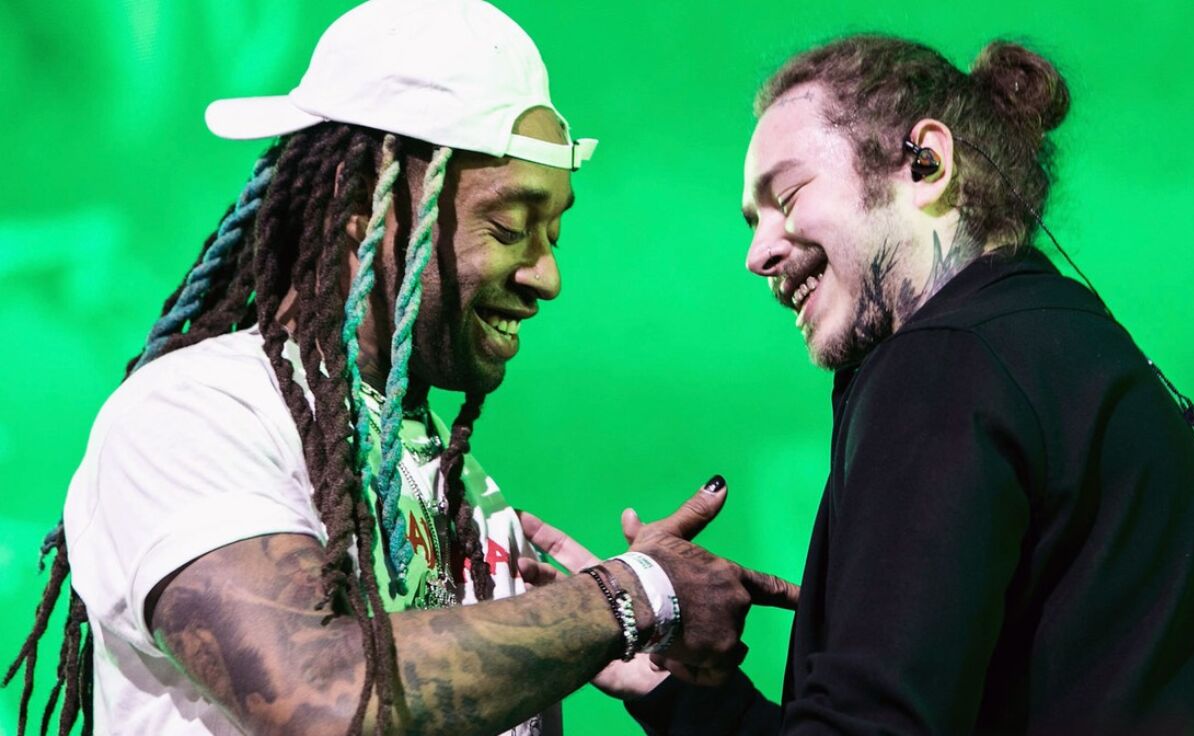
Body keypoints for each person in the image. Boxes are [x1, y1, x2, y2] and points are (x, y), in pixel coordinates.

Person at [2, 2, 798, 735]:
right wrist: (632, 596)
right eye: (510, 227)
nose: (547, 275)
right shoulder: (197, 414)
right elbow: (322, 700)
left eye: (552, 235)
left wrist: (635, 659)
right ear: (363, 210)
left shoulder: (468, 496)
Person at [573, 34, 1194, 735]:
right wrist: (674, 691)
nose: (758, 253)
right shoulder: (1073, 354)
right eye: (754, 222)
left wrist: (627, 607)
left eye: (788, 196)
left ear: (925, 163)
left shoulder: (945, 364)